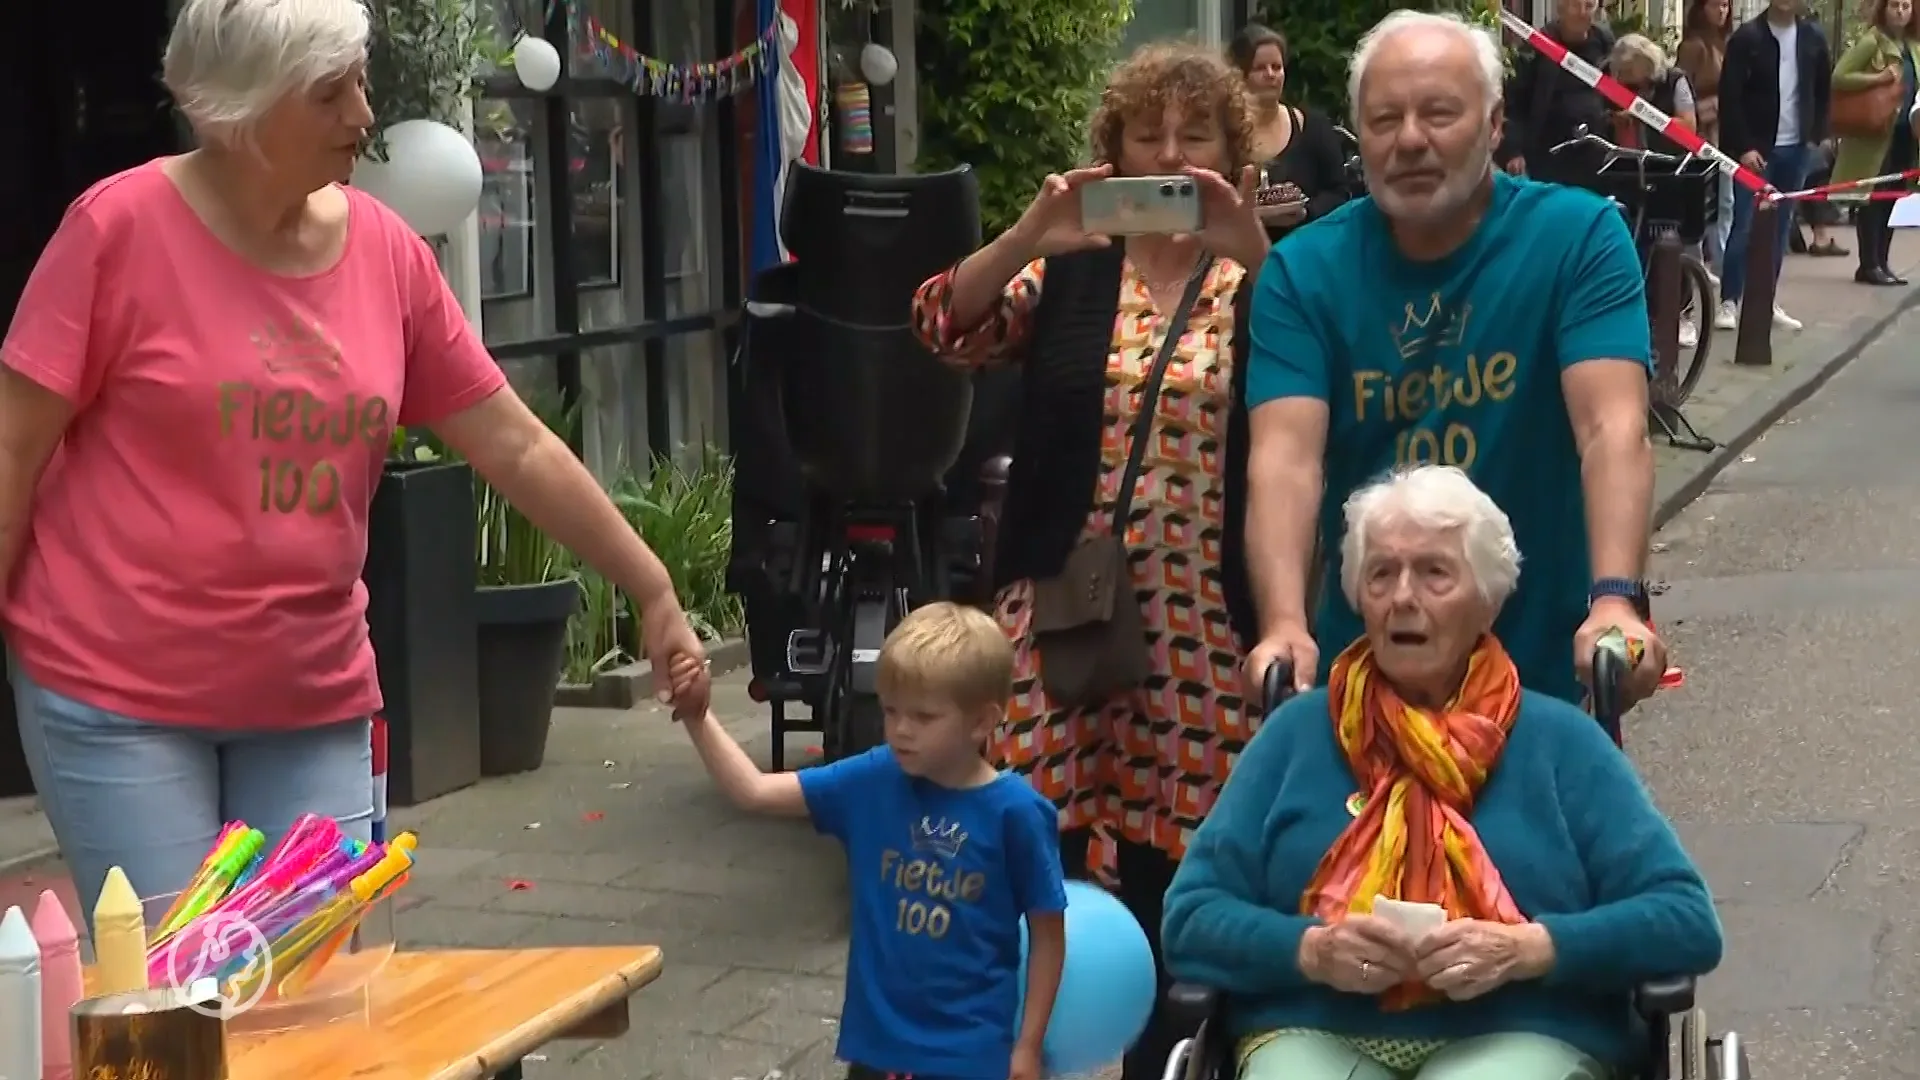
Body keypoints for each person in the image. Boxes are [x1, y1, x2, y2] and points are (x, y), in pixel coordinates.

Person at [0, 0, 710, 920]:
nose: (363, 117)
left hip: (312, 690)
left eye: (361, 83)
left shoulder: (386, 254)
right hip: (117, 692)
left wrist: (650, 585)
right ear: (237, 114)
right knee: (184, 1002)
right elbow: (15, 449)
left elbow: (514, 440)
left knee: (320, 1003)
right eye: (329, 95)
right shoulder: (114, 232)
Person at [907, 40, 1270, 1080]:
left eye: (1193, 136)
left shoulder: (1256, 271)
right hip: (1062, 607)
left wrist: (1257, 249)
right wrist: (1030, 228)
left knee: (1185, 853)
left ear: (1230, 154)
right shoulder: (1071, 264)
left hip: (1206, 616)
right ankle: (1040, 1050)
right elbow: (943, 324)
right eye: (1145, 136)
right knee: (1042, 841)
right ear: (1110, 152)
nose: (1169, 156)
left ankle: (1176, 1052)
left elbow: (1332, 360)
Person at [1162, 465, 1723, 1080]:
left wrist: (1532, 949)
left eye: (1434, 573)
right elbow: (1190, 918)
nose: (1403, 597)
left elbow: (1684, 919)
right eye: (1382, 573)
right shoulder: (1295, 737)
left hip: (1523, 1030)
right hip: (1315, 1027)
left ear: (1486, 600)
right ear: (1357, 597)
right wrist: (1309, 952)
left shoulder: (1561, 743)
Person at [1241, 10, 1668, 714]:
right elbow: (1285, 460)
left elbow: (1611, 428)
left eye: (1440, 114)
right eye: (1384, 120)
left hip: (1541, 666)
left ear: (1496, 126)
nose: (1410, 140)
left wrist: (1616, 601)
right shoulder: (1302, 272)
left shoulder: (1577, 238)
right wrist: (1285, 623)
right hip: (1370, 669)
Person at [672, 602, 1069, 1080]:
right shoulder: (874, 778)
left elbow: (1048, 937)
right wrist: (698, 716)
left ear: (982, 722)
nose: (900, 729)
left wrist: (1027, 1045)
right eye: (890, 710)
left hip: (971, 1057)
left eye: (923, 716)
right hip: (877, 1052)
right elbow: (753, 791)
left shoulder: (1018, 814)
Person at [1715, 0, 1833, 331]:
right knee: (1745, 225)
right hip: (1757, 152)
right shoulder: (1747, 38)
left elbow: (1823, 91)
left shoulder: (1812, 38)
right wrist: (1742, 148)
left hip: (1795, 149)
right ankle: (1730, 299)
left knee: (1780, 227)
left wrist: (1816, 135)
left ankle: (1765, 299)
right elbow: (1731, 98)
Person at [1608, 34, 1705, 348]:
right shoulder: (1617, 80)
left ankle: (1682, 312)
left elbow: (1688, 126)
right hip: (1630, 168)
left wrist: (1645, 118)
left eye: (1634, 74)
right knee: (1638, 240)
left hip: (1671, 170)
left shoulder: (1675, 82)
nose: (1628, 81)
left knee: (1673, 240)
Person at [1229, 23, 1352, 242]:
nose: (1271, 75)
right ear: (1240, 74)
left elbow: (1339, 192)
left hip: (1305, 248)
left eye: (1276, 67)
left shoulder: (1312, 127)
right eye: (1260, 68)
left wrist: (1306, 213)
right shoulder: (1226, 132)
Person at [1832, 0, 1920, 286]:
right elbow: (1840, 76)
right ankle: (1868, 264)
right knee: (1872, 198)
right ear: (1884, 9)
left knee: (1892, 198)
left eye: (1906, 6)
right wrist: (1878, 77)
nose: (1900, 11)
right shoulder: (1872, 41)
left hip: (1905, 133)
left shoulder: (1913, 46)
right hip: (1876, 134)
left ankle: (1882, 261)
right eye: (1894, 5)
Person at [1499, 0, 1616, 186]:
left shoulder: (1605, 44)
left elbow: (1618, 93)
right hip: (1548, 155)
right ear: (1560, 8)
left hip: (1596, 157)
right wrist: (1514, 151)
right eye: (1575, 5)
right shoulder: (1537, 47)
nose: (1582, 12)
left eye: (1589, 5)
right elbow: (1514, 104)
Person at [1676, 0, 1733, 271]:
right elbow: (1681, 93)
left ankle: (1721, 263)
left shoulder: (1726, 42)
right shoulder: (1693, 46)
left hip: (1723, 133)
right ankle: (1698, 264)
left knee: (1725, 201)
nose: (1722, 11)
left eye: (1726, 5)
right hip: (1700, 134)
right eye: (1715, 5)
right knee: (1702, 202)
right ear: (1701, 8)